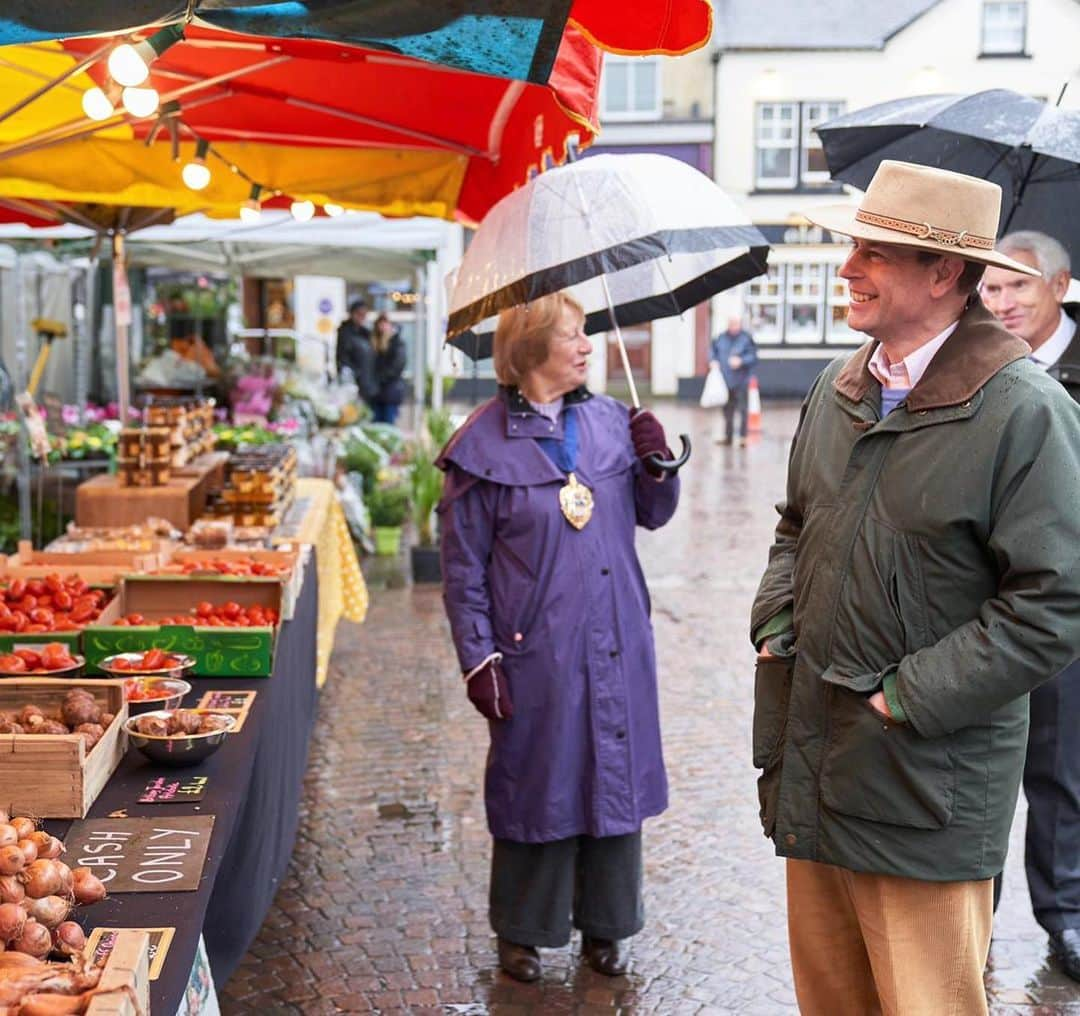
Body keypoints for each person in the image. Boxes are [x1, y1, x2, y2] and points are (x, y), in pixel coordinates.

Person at [749, 160, 1080, 1015]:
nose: (848, 269)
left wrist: (907, 699)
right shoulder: (838, 386)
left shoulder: (1024, 410)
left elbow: (1055, 602)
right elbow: (796, 523)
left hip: (924, 789)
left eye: (875, 253)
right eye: (854, 247)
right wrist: (777, 619)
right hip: (818, 773)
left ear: (944, 274)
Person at [436, 291, 679, 983]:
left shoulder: (611, 422)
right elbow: (463, 571)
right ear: (531, 348)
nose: (586, 346)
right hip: (533, 650)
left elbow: (654, 514)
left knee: (614, 774)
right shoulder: (479, 448)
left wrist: (659, 465)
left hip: (615, 636)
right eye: (572, 336)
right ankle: (524, 930)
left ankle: (608, 926)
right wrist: (479, 657)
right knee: (537, 783)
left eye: (583, 334)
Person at [981, 230, 1080, 979]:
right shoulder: (979, 370)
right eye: (990, 289)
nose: (1003, 302)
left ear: (1061, 284)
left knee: (1061, 770)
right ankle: (965, 920)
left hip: (1068, 609)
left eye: (1018, 287)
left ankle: (1067, 913)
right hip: (985, 606)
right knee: (978, 771)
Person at [710, 316, 757, 446]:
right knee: (727, 410)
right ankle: (728, 436)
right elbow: (713, 351)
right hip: (725, 380)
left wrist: (741, 361)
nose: (733, 327)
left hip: (742, 380)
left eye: (735, 324)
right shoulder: (721, 337)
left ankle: (743, 437)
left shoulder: (746, 338)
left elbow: (753, 356)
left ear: (740, 324)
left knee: (742, 409)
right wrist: (713, 360)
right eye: (731, 323)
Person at [335, 299, 376, 407]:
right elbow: (343, 358)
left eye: (364, 314)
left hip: (368, 384)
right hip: (354, 384)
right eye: (359, 314)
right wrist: (354, 377)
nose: (362, 317)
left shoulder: (365, 333)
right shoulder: (345, 333)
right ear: (352, 314)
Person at [370, 313, 407, 425]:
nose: (382, 327)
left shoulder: (396, 343)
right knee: (376, 426)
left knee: (388, 425)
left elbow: (397, 365)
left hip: (390, 392)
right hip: (376, 394)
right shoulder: (373, 344)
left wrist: (381, 378)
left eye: (384, 324)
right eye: (380, 324)